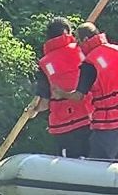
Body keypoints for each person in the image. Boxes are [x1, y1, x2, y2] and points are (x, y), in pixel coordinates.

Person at [52, 22, 118, 160]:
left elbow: (78, 96)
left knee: (99, 162)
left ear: (85, 40)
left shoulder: (90, 64)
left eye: (78, 41)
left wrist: (60, 93)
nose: (77, 46)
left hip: (109, 122)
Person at [32, 17, 92, 158]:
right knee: (93, 162)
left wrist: (34, 110)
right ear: (68, 32)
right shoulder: (83, 49)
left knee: (70, 166)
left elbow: (44, 103)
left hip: (63, 125)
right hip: (90, 117)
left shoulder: (44, 63)